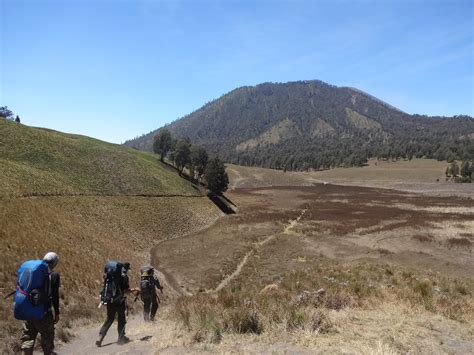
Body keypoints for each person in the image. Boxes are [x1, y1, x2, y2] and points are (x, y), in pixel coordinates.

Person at [20, 252, 60, 355]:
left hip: (28, 311)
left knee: (28, 338)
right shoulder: (54, 275)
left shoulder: (32, 272)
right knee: (47, 340)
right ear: (55, 263)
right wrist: (57, 313)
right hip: (44, 313)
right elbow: (55, 296)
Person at [96, 262, 139, 347]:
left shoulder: (109, 276)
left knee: (109, 318)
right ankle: (121, 337)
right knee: (121, 318)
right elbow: (125, 291)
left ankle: (100, 337)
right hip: (119, 301)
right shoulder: (124, 277)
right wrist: (135, 289)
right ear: (126, 269)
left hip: (109, 301)